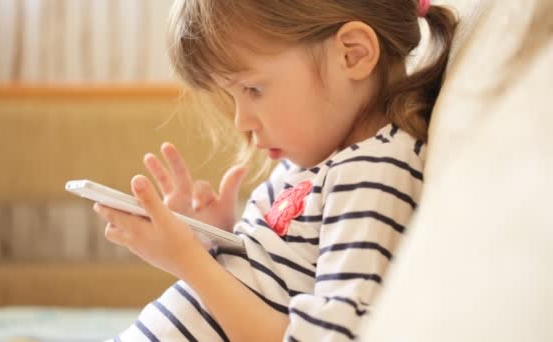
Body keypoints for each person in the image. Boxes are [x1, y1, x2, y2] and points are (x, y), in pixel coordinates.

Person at [93, 0, 457, 340]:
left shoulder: (373, 173)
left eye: (252, 88)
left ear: (353, 53)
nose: (241, 120)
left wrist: (188, 260)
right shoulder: (314, 164)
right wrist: (217, 242)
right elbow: (274, 285)